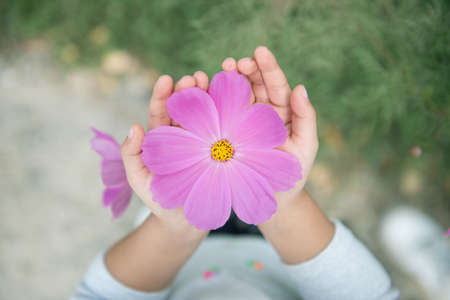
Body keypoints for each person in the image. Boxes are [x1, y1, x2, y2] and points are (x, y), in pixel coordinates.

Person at [71, 47, 399, 300]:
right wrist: (287, 206)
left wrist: (174, 230)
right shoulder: (232, 158)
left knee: (169, 193)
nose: (220, 150)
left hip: (189, 220)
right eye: (220, 150)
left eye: (222, 149)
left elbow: (97, 295)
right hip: (278, 243)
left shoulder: (210, 162)